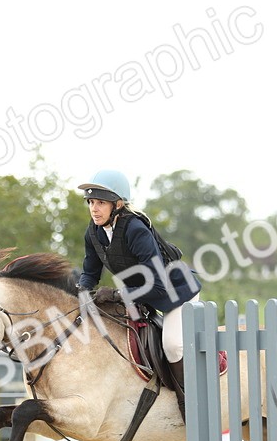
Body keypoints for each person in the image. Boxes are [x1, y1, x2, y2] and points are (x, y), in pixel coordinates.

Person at [75, 169, 201, 414]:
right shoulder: (94, 232)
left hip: (177, 293)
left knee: (173, 345)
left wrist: (116, 295)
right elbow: (90, 272)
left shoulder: (135, 229)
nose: (94, 208)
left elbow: (156, 284)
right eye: (91, 202)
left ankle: (189, 403)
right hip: (142, 294)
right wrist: (80, 295)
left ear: (118, 204)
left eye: (100, 202)